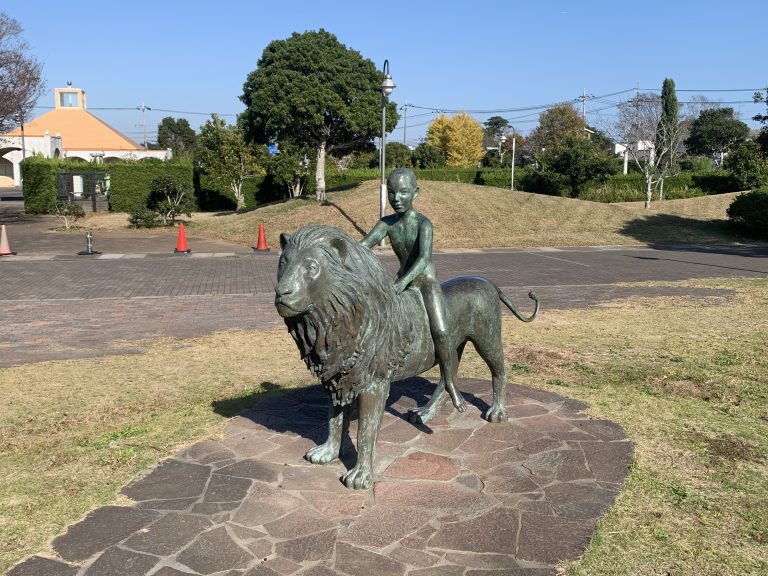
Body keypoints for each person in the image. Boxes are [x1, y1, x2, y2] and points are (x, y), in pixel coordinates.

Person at [361, 167, 466, 413]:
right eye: (392, 193)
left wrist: (401, 282)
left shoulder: (423, 224)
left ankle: (449, 382)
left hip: (425, 283)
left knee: (441, 330)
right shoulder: (386, 223)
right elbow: (364, 246)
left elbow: (423, 260)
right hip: (401, 282)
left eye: (404, 192)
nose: (397, 199)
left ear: (416, 193)